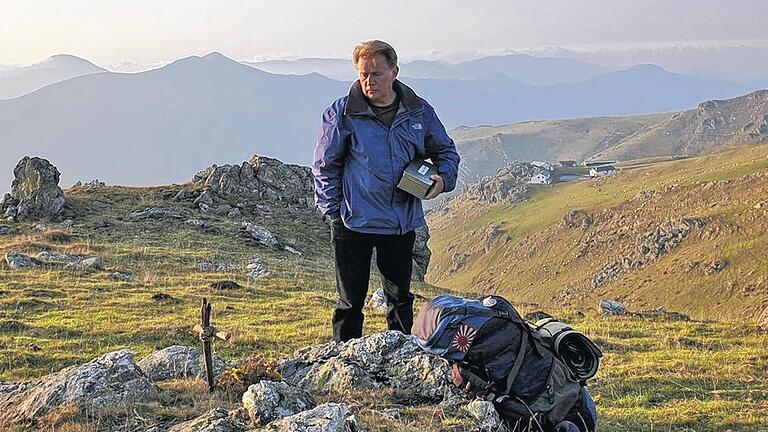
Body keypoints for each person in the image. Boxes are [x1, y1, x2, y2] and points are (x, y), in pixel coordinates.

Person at [312, 40, 460, 342]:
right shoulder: (341, 113)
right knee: (350, 303)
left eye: (376, 74)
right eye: (363, 74)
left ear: (394, 71)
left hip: (399, 223)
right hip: (353, 223)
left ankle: (403, 359)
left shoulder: (418, 111)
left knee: (401, 300)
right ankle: (346, 364)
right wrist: (333, 213)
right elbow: (325, 165)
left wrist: (443, 181)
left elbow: (445, 150)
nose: (369, 81)